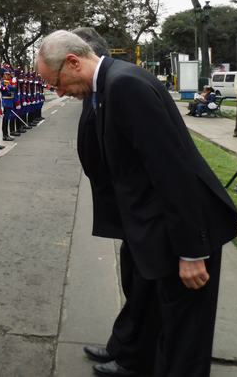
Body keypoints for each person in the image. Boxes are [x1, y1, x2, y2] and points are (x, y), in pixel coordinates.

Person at [36, 30, 237, 377]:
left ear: (72, 62)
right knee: (162, 322)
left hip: (184, 229)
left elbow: (172, 170)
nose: (57, 92)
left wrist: (191, 252)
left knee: (184, 342)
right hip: (155, 224)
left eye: (55, 83)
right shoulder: (110, 84)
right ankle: (136, 359)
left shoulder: (124, 86)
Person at [70, 27, 159, 376]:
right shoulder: (100, 88)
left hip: (143, 207)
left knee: (143, 285)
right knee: (131, 278)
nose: (61, 90)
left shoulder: (120, 85)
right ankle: (122, 345)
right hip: (125, 205)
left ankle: (133, 359)